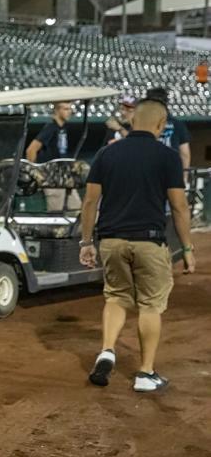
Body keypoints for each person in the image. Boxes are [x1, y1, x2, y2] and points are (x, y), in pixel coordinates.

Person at [80, 99, 196, 392]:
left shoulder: (107, 154)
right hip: (149, 241)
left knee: (116, 297)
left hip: (111, 241)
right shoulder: (168, 157)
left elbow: (90, 201)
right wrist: (188, 248)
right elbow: (179, 206)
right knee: (150, 305)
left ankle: (107, 350)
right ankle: (145, 373)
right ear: (160, 125)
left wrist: (85, 242)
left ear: (132, 121)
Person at [26, 101, 81, 212]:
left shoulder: (62, 128)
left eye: (70, 109)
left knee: (77, 209)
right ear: (57, 110)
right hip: (52, 177)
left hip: (64, 176)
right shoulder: (50, 127)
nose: (69, 112)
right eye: (65, 109)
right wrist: (36, 174)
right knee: (56, 214)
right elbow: (31, 150)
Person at [145, 88, 191, 171]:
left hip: (148, 171)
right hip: (171, 171)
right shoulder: (177, 124)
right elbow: (184, 154)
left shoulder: (142, 124)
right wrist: (184, 176)